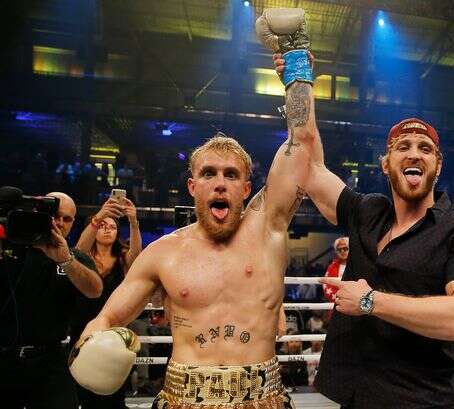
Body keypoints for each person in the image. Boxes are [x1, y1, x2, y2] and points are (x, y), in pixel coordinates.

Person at [71, 8, 317, 408]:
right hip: (182, 399)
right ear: (193, 186)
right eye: (208, 174)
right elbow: (109, 317)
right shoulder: (162, 254)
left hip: (264, 398)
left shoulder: (268, 228)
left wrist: (296, 66)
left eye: (231, 175)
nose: (219, 182)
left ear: (246, 188)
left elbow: (301, 148)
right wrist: (92, 338)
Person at [274, 57, 454, 408]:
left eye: (425, 149)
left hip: (422, 401)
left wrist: (370, 301)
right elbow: (310, 165)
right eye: (403, 147)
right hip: (356, 395)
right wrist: (298, 80)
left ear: (438, 165)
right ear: (385, 162)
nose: (415, 154)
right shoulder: (368, 211)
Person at [0, 191, 102, 409]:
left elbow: (95, 290)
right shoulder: (9, 250)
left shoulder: (75, 257)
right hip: (4, 359)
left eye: (67, 219)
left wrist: (65, 260)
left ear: (73, 223)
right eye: (55, 215)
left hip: (51, 360)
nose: (60, 223)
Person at [70, 196, 143, 408]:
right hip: (83, 325)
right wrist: (99, 216)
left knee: (112, 393)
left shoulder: (122, 257)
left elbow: (137, 258)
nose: (108, 229)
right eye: (102, 226)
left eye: (112, 226)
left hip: (114, 330)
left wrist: (134, 223)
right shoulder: (84, 257)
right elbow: (74, 254)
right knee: (82, 387)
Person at [322, 237, 349, 302]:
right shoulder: (332, 267)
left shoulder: (357, 265)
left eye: (345, 248)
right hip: (336, 303)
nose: (342, 251)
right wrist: (338, 298)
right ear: (336, 252)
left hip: (353, 303)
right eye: (339, 249)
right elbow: (326, 285)